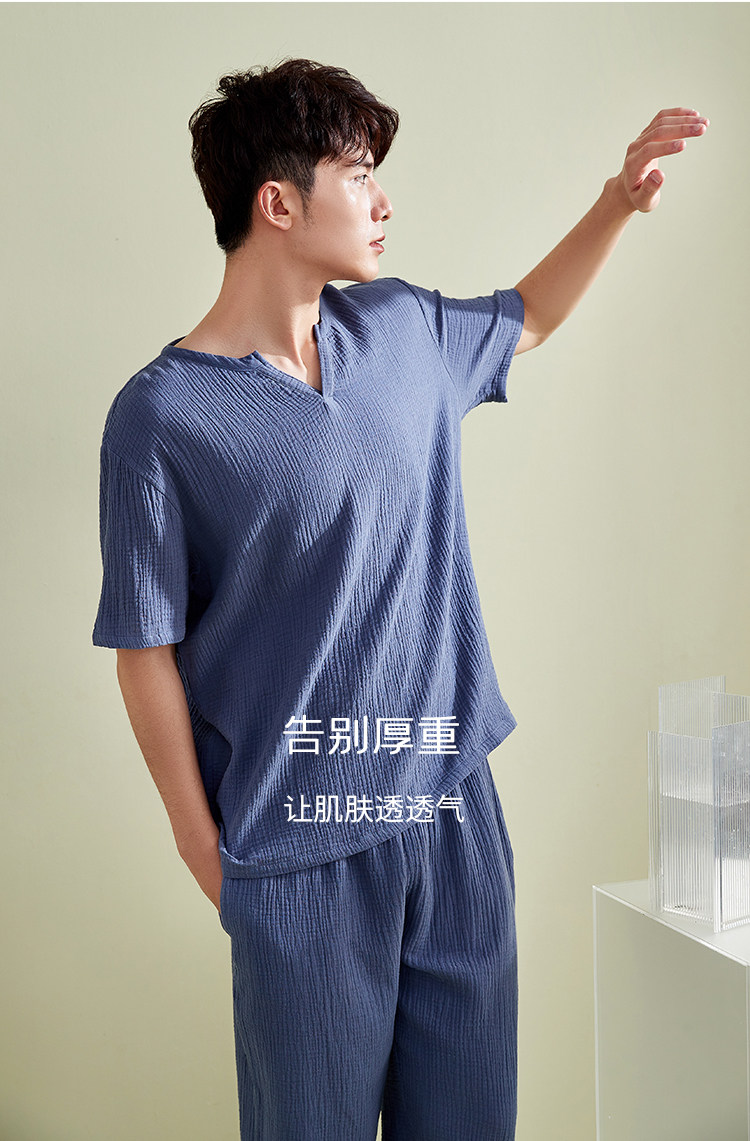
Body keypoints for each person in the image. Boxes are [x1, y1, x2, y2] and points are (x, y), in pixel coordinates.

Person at [92, 57, 708, 1141]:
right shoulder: (161, 417)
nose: (383, 201)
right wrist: (207, 855)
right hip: (299, 848)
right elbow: (146, 648)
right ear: (278, 203)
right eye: (359, 174)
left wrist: (618, 200)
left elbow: (528, 317)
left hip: (451, 813)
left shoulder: (403, 331)